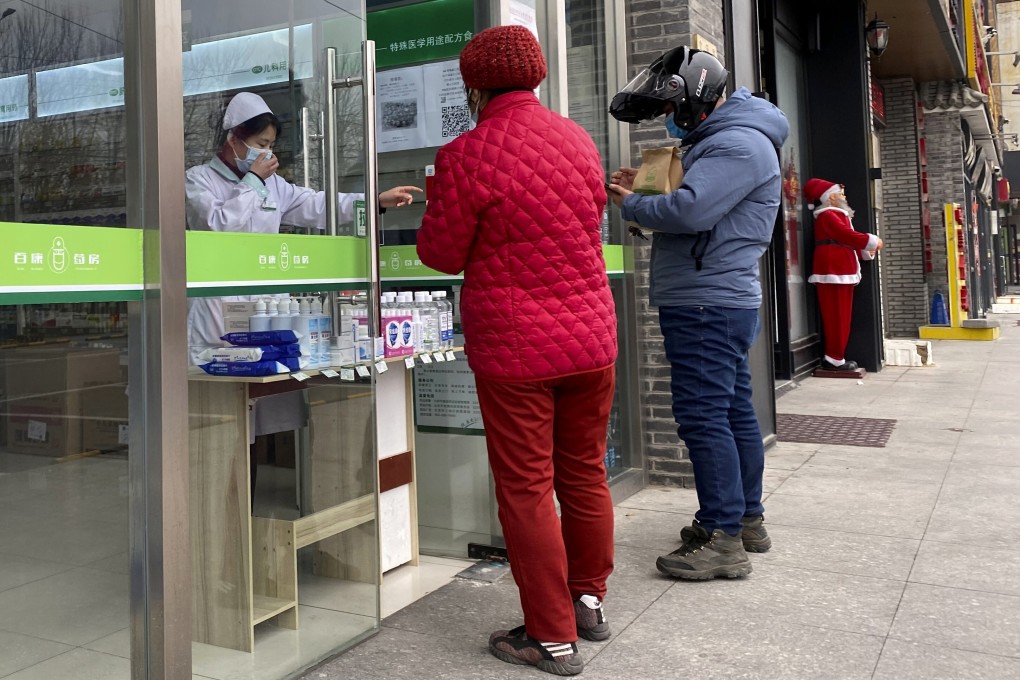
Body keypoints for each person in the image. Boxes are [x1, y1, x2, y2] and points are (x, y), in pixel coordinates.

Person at [416, 25, 617, 677]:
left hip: (517, 349)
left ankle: (551, 637)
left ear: (472, 86)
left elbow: (441, 254)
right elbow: (586, 217)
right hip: (591, 338)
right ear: (536, 76)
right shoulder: (578, 139)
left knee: (527, 488)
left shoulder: (467, 154)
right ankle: (587, 602)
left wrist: (436, 201)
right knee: (584, 472)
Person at [606, 47, 789, 580]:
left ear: (696, 98)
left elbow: (690, 210)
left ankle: (722, 538)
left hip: (706, 301)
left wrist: (629, 204)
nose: (667, 116)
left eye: (671, 106)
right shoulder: (727, 139)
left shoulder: (736, 143)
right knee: (731, 412)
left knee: (703, 415)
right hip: (714, 297)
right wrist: (643, 186)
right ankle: (743, 519)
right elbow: (696, 204)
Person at [186, 91, 420, 503]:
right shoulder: (197, 180)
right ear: (234, 139)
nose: (265, 154)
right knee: (222, 418)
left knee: (259, 418)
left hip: (263, 312)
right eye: (259, 145)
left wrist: (375, 201)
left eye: (270, 146)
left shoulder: (275, 185)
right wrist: (252, 182)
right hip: (217, 312)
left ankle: (250, 506)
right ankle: (216, 511)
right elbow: (219, 226)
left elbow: (319, 205)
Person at [803, 178, 883, 372]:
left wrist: (864, 251)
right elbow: (845, 235)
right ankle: (834, 358)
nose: (844, 197)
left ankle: (836, 356)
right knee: (837, 315)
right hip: (834, 270)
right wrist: (871, 242)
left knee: (841, 315)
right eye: (840, 194)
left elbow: (845, 238)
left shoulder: (835, 215)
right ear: (831, 197)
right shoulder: (829, 215)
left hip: (839, 269)